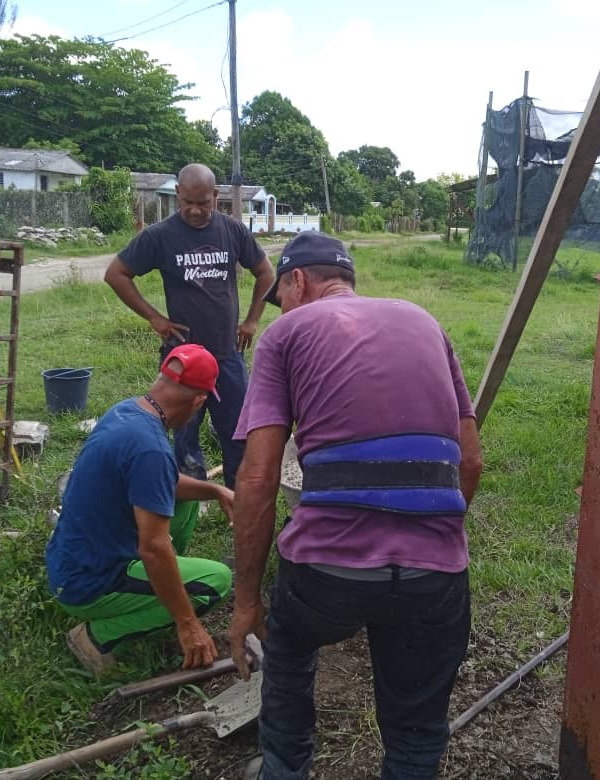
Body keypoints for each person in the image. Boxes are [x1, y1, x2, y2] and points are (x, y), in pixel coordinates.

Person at [227, 232, 483, 779]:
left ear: (297, 281)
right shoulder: (425, 322)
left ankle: (285, 769)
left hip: (326, 574)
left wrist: (246, 601)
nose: (282, 307)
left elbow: (258, 476)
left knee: (289, 654)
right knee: (416, 730)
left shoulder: (285, 333)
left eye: (282, 295)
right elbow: (472, 463)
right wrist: (427, 537)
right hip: (435, 576)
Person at [46, 344, 234, 675]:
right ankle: (97, 637)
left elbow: (160, 483)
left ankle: (161, 589)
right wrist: (187, 623)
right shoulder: (150, 449)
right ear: (198, 401)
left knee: (186, 502)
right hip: (88, 582)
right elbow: (153, 547)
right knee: (215, 581)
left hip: (73, 559)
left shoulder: (127, 412)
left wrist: (214, 490)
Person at [104, 163, 275, 488]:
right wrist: (154, 317)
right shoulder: (159, 236)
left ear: (216, 196)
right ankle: (190, 495)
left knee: (238, 430)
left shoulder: (233, 230)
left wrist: (252, 320)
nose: (195, 210)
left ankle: (237, 496)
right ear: (177, 195)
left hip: (227, 353)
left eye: (203, 203)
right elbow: (116, 274)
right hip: (182, 358)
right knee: (183, 433)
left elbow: (265, 272)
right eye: (187, 203)